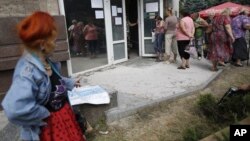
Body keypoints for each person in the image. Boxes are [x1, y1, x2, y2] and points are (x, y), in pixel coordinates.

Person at [1, 11, 86, 141]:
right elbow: (14, 108)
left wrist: (70, 82)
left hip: (64, 118)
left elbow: (50, 82)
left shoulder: (46, 61)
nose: (56, 44)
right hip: (49, 127)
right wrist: (45, 114)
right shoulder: (27, 71)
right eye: (53, 40)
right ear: (42, 44)